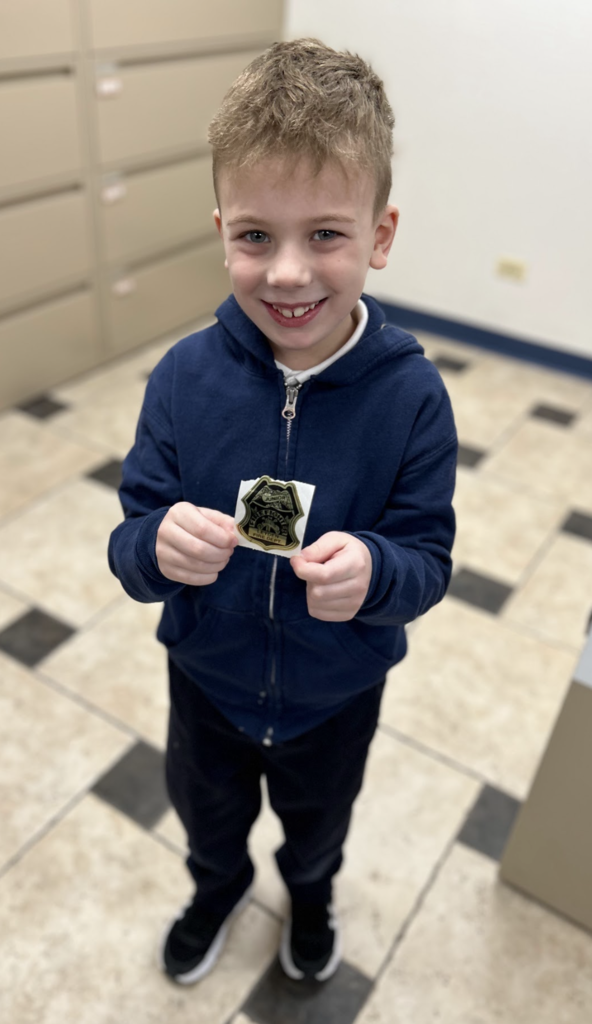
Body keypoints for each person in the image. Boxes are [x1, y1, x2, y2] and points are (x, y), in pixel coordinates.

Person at [108, 37, 457, 986]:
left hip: (335, 696)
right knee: (209, 816)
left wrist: (377, 576)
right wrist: (157, 548)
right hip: (208, 682)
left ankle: (310, 896)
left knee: (317, 827)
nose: (289, 274)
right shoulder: (184, 378)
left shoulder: (412, 397)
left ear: (381, 235)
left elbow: (428, 558)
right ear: (222, 228)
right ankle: (215, 888)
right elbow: (129, 537)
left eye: (327, 236)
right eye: (257, 236)